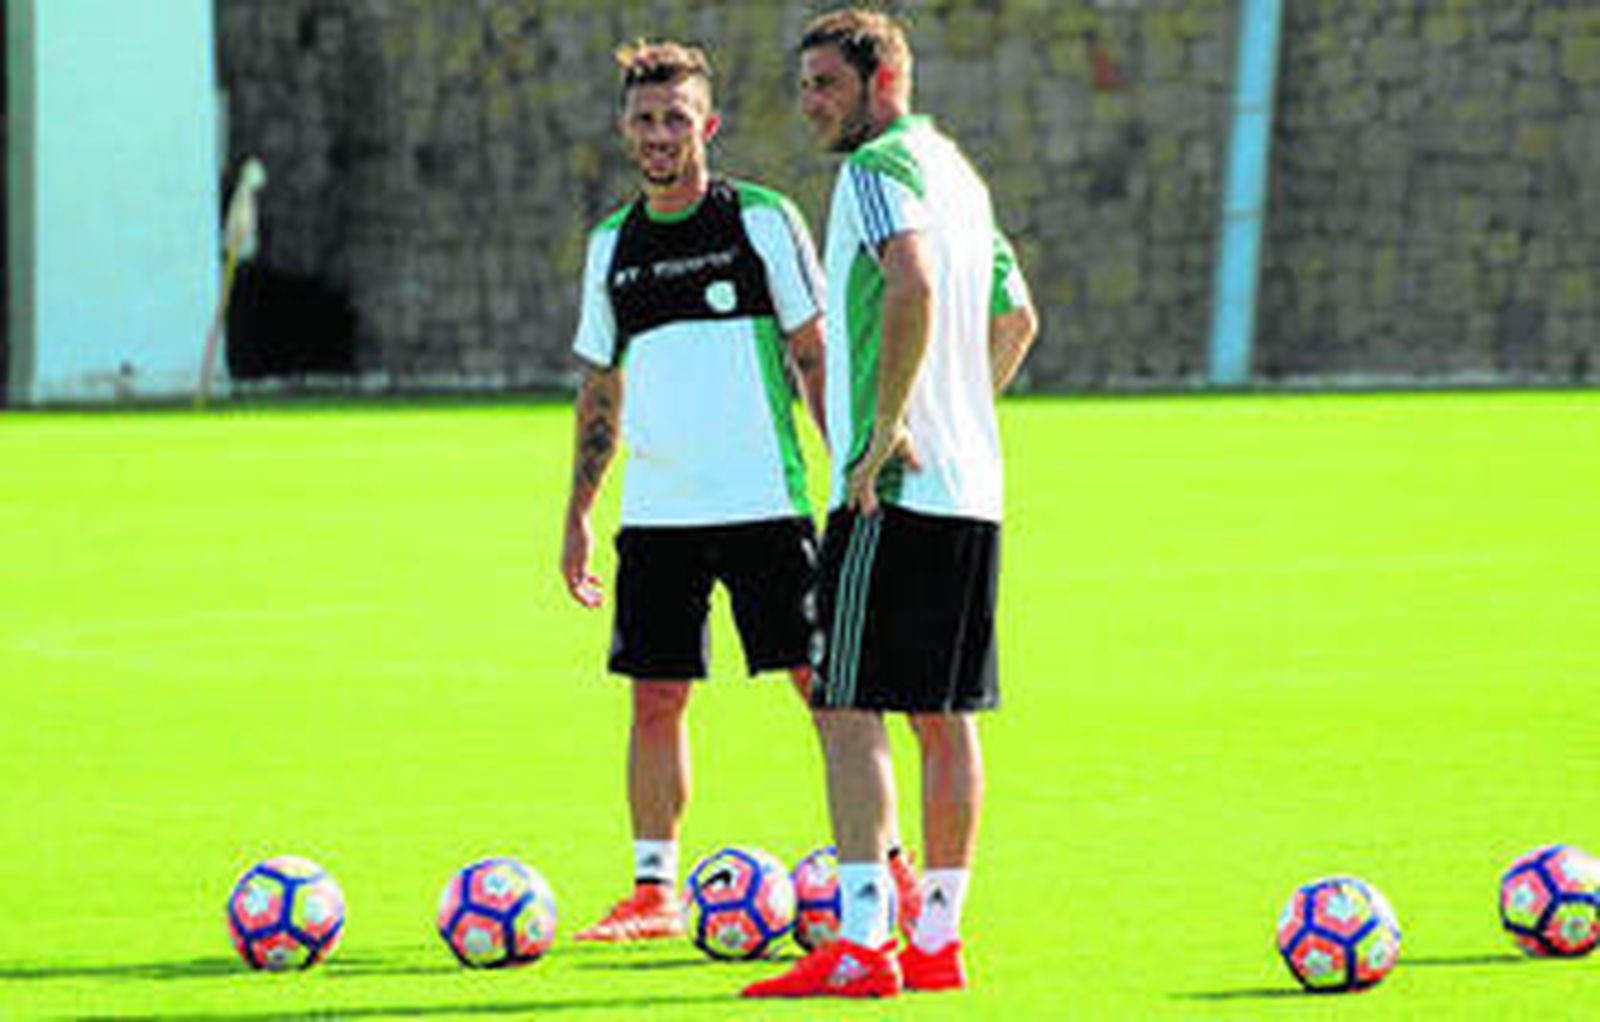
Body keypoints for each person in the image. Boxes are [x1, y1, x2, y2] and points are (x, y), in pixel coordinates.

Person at [561, 38, 894, 943]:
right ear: (625, 130)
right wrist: (579, 515)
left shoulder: (761, 218)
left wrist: (853, 469)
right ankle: (654, 891)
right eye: (644, 119)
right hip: (657, 512)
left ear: (707, 124)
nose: (659, 133)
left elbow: (814, 351)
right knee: (654, 696)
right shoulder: (610, 246)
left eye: (676, 118)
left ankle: (885, 865)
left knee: (823, 686)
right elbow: (602, 388)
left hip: (764, 500)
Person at [743, 8, 1037, 998]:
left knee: (843, 699)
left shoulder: (874, 173)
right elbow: (1017, 316)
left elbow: (907, 283)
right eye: (805, 87)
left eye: (824, 85)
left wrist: (881, 429)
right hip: (971, 486)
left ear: (881, 82)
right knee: (943, 714)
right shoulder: (958, 172)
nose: (809, 106)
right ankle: (939, 939)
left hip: (892, 489)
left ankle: (865, 941)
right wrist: (957, 410)